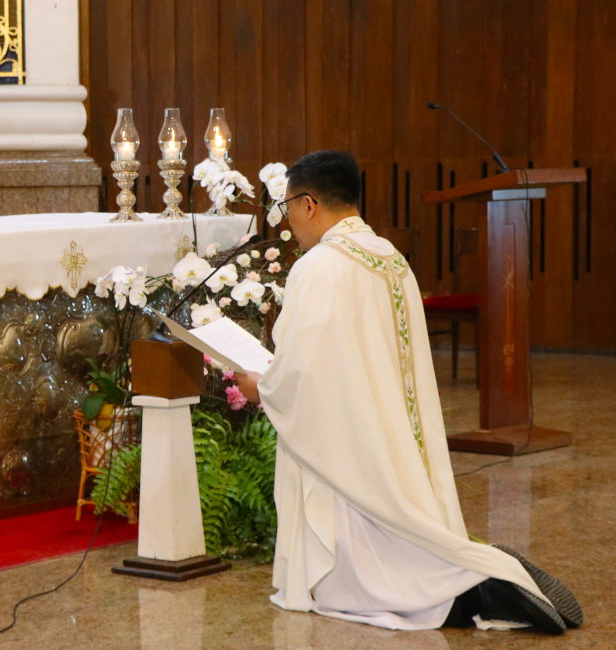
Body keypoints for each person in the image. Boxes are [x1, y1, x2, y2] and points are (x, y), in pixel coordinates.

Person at [236, 151, 582, 634]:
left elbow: (300, 375)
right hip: (396, 430)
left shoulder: (318, 267)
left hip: (347, 438)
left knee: (354, 575)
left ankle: (470, 590)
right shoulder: (390, 258)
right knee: (400, 524)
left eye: (289, 206)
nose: (288, 220)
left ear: (309, 203)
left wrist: (260, 388)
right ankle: (480, 573)